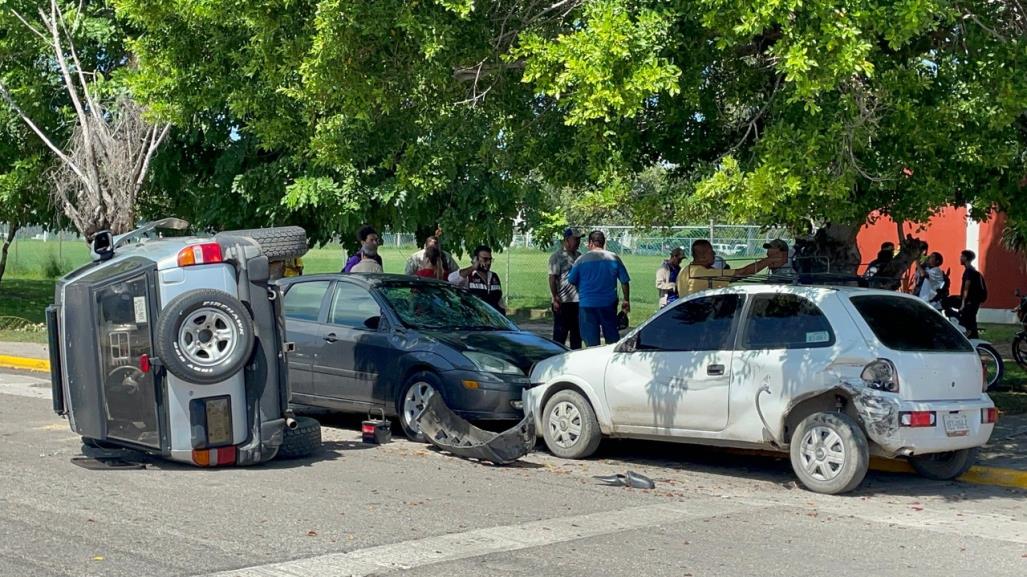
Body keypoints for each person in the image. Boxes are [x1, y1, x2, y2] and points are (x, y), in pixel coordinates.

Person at [566, 231, 630, 347]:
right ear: (603, 242)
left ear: (591, 243)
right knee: (612, 340)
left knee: (591, 343)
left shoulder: (581, 260)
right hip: (608, 304)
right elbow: (624, 281)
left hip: (587, 304)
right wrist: (626, 300)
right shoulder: (614, 258)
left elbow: (571, 280)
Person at [678, 239, 780, 297]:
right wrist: (769, 260)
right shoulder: (704, 273)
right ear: (703, 256)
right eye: (711, 252)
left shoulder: (684, 271)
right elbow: (742, 272)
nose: (714, 254)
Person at [548, 228, 584, 349]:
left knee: (577, 336)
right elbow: (552, 278)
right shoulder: (557, 257)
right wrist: (555, 297)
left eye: (579, 239)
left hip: (577, 301)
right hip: (563, 301)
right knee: (560, 335)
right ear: (567, 240)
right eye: (575, 239)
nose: (578, 242)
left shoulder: (579, 256)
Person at [449, 245, 504, 314]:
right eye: (485, 259)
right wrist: (473, 267)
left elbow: (500, 300)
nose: (488, 263)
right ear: (476, 259)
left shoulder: (494, 276)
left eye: (490, 259)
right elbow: (451, 280)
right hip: (475, 320)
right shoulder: (469, 276)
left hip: (494, 321)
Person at [957, 250, 987, 338]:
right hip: (974, 301)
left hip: (970, 302)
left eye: (961, 256)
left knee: (967, 323)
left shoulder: (969, 271)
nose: (960, 258)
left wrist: (963, 303)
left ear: (965, 258)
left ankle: (971, 341)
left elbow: (966, 288)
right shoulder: (972, 270)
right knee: (972, 322)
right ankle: (975, 340)